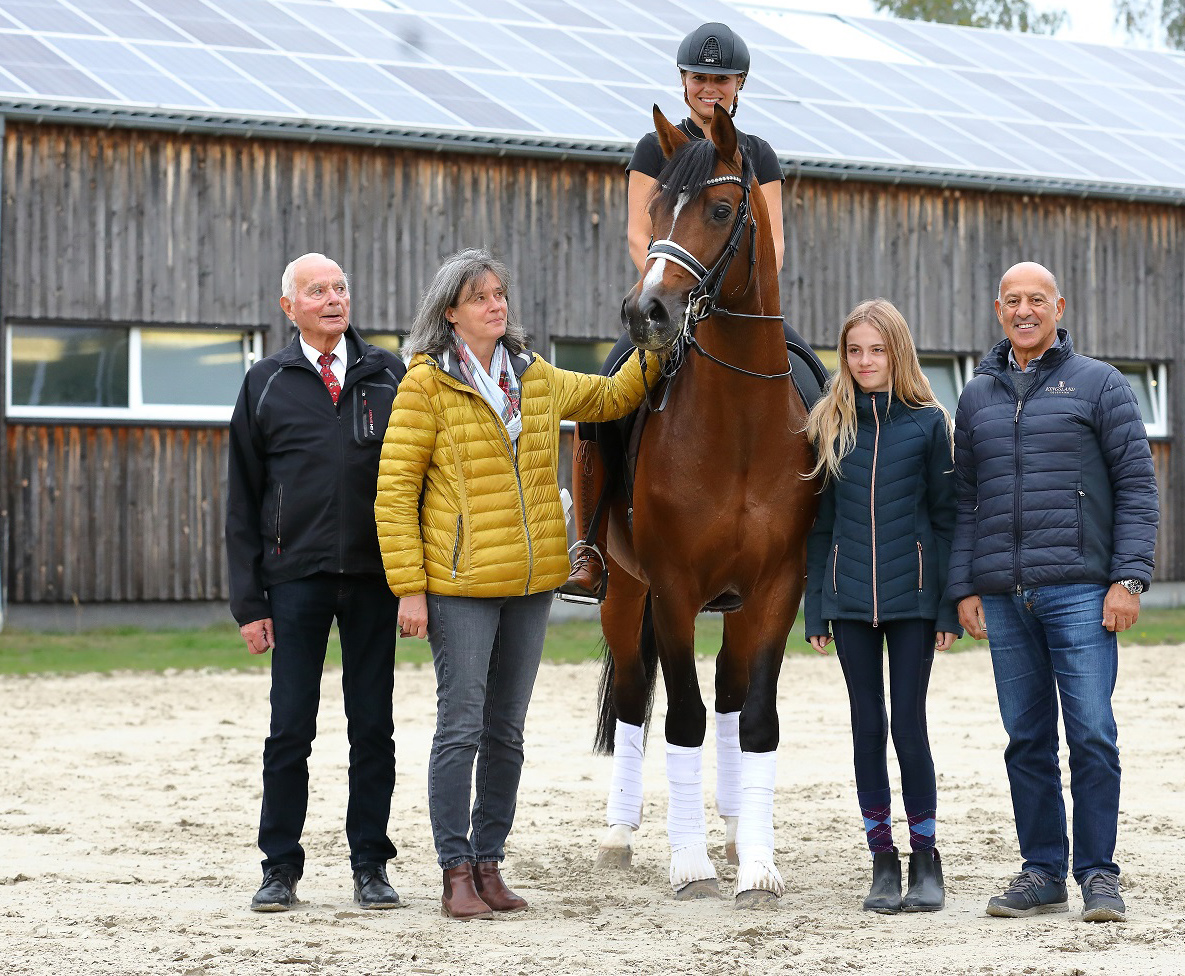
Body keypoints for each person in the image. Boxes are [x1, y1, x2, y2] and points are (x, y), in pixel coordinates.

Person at [374, 248, 660, 921]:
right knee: (460, 728)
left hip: (531, 583)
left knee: (507, 731)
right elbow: (394, 493)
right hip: (459, 585)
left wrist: (654, 343)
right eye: (480, 298)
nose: (496, 305)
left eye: (499, 293)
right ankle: (454, 872)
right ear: (450, 313)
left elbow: (611, 397)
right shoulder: (425, 386)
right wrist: (409, 587)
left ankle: (489, 863)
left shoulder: (533, 375)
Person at [559, 20, 821, 603]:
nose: (710, 88)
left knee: (818, 387)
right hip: (673, 302)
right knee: (605, 392)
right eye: (699, 77)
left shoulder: (757, 154)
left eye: (721, 79)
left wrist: (727, 289)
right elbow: (640, 234)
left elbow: (773, 244)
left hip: (741, 304)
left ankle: (823, 536)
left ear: (740, 84)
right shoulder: (656, 148)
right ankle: (590, 547)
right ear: (682, 81)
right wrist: (673, 289)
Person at [947, 261, 1158, 924]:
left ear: (1058, 307)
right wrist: (965, 586)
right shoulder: (975, 396)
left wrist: (1128, 578)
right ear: (998, 310)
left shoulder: (1099, 383)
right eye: (1012, 300)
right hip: (1004, 597)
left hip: (1081, 592)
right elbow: (965, 501)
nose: (1024, 310)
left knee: (1092, 733)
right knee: (1025, 738)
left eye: (1036, 299)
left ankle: (1098, 874)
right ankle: (1041, 871)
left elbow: (1136, 486)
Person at [226, 253, 407, 913]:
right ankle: (279, 868)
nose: (333, 299)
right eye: (317, 291)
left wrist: (413, 580)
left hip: (374, 579)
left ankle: (371, 866)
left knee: (373, 728)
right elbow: (242, 499)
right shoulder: (265, 381)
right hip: (294, 580)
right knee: (289, 730)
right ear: (289, 307)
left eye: (340, 288)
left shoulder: (390, 374)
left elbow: (416, 481)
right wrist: (249, 603)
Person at [803, 299, 962, 914]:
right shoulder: (829, 425)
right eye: (854, 351)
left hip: (914, 601)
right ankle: (882, 860)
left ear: (898, 352)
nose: (865, 361)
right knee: (867, 726)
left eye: (877, 350)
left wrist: (947, 607)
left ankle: (926, 858)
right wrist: (816, 608)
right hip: (847, 602)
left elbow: (946, 520)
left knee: (908, 725)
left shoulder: (928, 424)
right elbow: (820, 526)